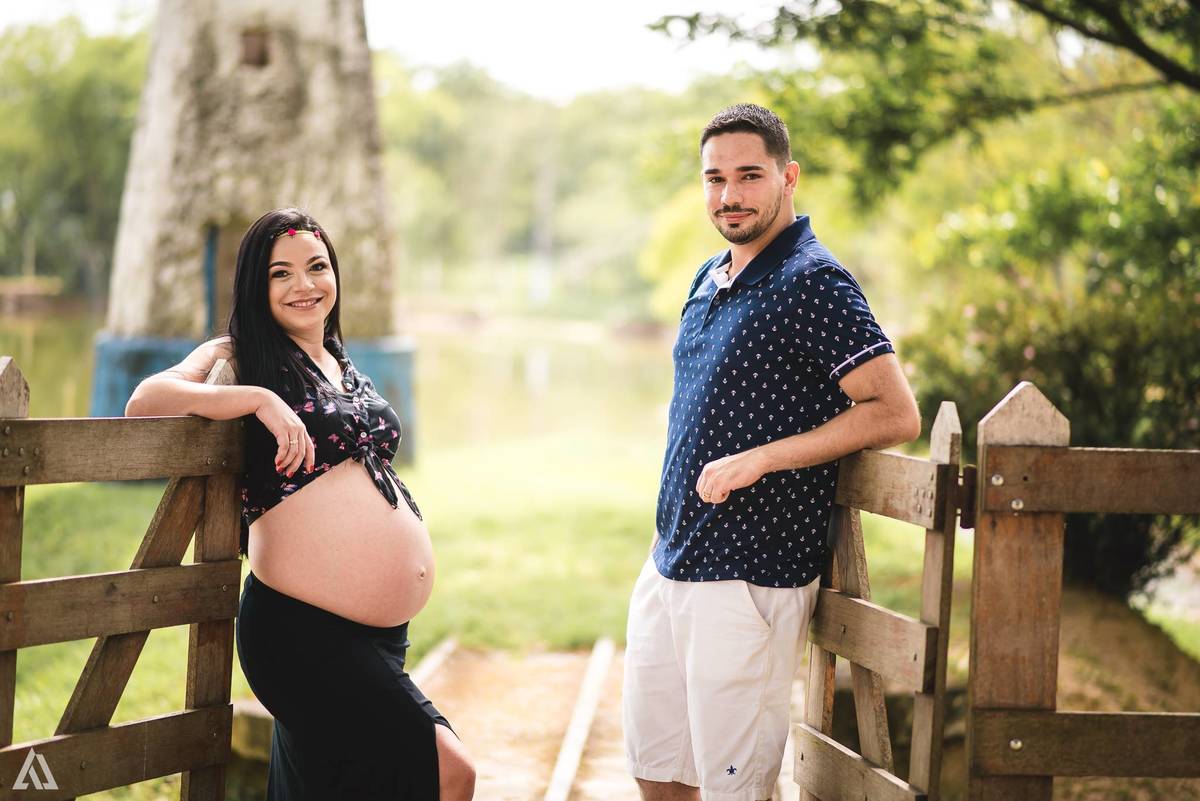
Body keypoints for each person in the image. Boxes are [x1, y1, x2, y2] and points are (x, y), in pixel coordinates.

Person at [622, 104, 921, 801]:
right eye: (715, 178)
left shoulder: (813, 281)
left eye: (749, 175)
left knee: (736, 789)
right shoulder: (709, 277)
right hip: (672, 559)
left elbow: (894, 410)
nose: (730, 195)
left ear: (788, 178)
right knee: (657, 769)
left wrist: (763, 457)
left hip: (750, 575)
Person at [125, 208, 475, 801]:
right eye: (280, 273)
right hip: (300, 632)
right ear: (256, 288)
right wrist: (256, 398)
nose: (304, 285)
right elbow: (144, 401)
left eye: (317, 267)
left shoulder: (339, 360)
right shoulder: (240, 354)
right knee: (449, 771)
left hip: (379, 636)